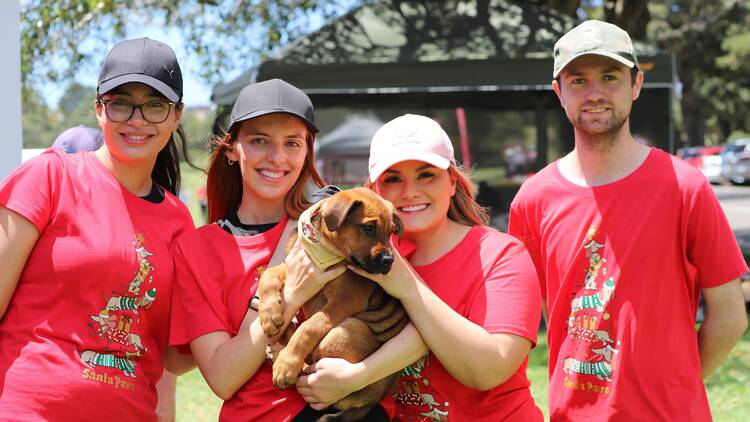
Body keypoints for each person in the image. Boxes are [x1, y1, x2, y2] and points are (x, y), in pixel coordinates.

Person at [508, 20, 748, 421]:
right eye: (578, 80)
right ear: (558, 92)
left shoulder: (684, 187)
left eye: (610, 76)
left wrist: (678, 386)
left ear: (636, 85)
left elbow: (729, 316)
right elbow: (545, 314)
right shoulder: (533, 199)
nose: (595, 93)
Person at [168, 79, 392, 421]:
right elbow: (223, 379)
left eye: (292, 143)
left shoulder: (342, 221)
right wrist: (293, 293)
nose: (277, 157)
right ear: (231, 149)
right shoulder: (197, 250)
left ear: (307, 152)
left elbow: (409, 315)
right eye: (259, 141)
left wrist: (360, 376)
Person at [295, 114, 544, 421]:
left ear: (453, 183)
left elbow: (489, 371)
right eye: (393, 179)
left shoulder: (501, 255)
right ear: (372, 190)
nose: (410, 191)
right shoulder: (363, 257)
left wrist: (357, 376)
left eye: (426, 175)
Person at [0, 37, 196, 420]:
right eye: (121, 102)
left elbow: (172, 354)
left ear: (176, 116)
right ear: (99, 109)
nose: (136, 119)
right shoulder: (50, 177)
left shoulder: (179, 220)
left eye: (155, 106)